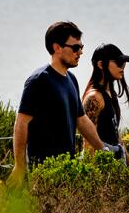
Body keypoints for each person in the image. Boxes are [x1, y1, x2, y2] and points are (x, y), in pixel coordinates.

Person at [9, 21, 111, 185]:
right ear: (57, 48)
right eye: (75, 48)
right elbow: (21, 123)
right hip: (42, 172)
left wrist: (102, 149)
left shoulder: (71, 80)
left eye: (81, 47)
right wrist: (19, 166)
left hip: (67, 170)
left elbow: (82, 120)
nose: (80, 52)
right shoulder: (39, 80)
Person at [82, 43, 129, 167]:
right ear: (100, 64)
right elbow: (88, 143)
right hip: (100, 167)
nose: (122, 67)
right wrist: (93, 177)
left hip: (114, 165)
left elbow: (115, 135)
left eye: (123, 63)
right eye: (118, 63)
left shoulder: (110, 94)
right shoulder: (94, 97)